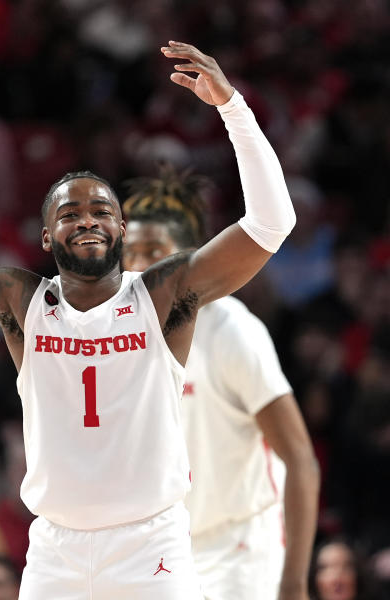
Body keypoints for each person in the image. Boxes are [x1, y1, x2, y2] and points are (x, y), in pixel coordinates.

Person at [0, 40, 296, 599]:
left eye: (103, 210)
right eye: (70, 212)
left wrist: (232, 107)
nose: (89, 220)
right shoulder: (19, 300)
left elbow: (271, 223)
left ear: (122, 229)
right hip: (55, 551)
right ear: (47, 235)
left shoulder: (164, 295)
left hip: (151, 547)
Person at [121, 167, 319, 600]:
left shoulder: (231, 330)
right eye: (130, 253)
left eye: (153, 250)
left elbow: (301, 459)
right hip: (163, 545)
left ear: (189, 257)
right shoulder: (119, 333)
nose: (138, 265)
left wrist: (294, 583)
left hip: (239, 544)